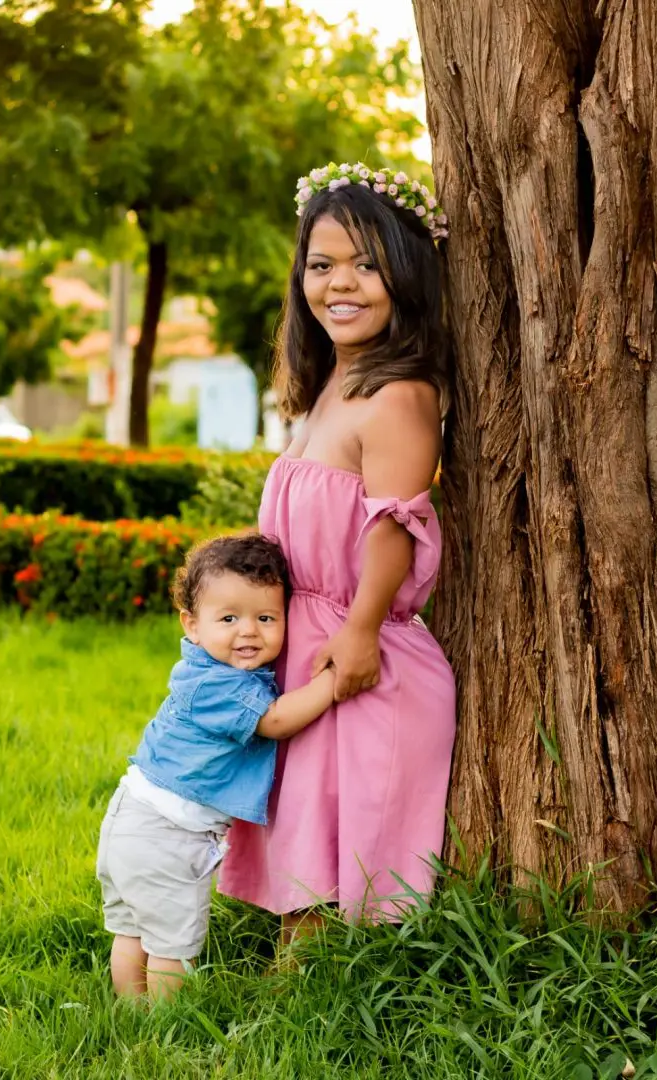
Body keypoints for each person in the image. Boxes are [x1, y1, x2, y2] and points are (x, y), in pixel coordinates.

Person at [218, 163, 457, 939]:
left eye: (365, 262)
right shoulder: (333, 382)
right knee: (301, 850)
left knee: (338, 864)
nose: (339, 284)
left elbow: (394, 524)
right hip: (310, 642)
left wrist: (358, 631)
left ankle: (320, 999)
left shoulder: (399, 395)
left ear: (405, 272)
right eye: (321, 265)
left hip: (360, 653)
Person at [96, 534, 335, 1001]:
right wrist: (332, 679)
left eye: (265, 618)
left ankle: (131, 1015)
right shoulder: (219, 686)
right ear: (192, 625)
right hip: (167, 836)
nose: (248, 631)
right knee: (172, 943)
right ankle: (166, 1023)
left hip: (132, 823)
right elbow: (278, 720)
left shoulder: (204, 670)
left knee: (133, 932)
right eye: (228, 619)